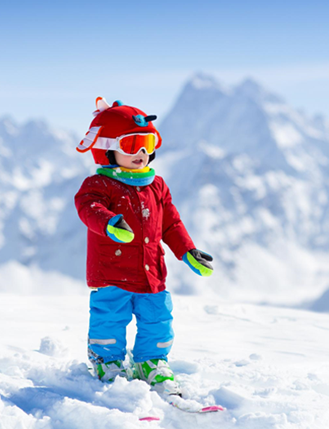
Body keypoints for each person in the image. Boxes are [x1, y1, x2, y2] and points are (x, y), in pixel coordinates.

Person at [74, 97, 214, 395]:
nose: (140, 152)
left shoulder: (157, 185)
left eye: (147, 143)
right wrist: (109, 223)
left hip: (151, 273)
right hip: (112, 272)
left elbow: (171, 224)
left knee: (158, 317)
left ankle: (151, 361)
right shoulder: (100, 185)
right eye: (131, 143)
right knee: (110, 317)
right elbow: (88, 208)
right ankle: (106, 360)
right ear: (107, 148)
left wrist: (188, 251)